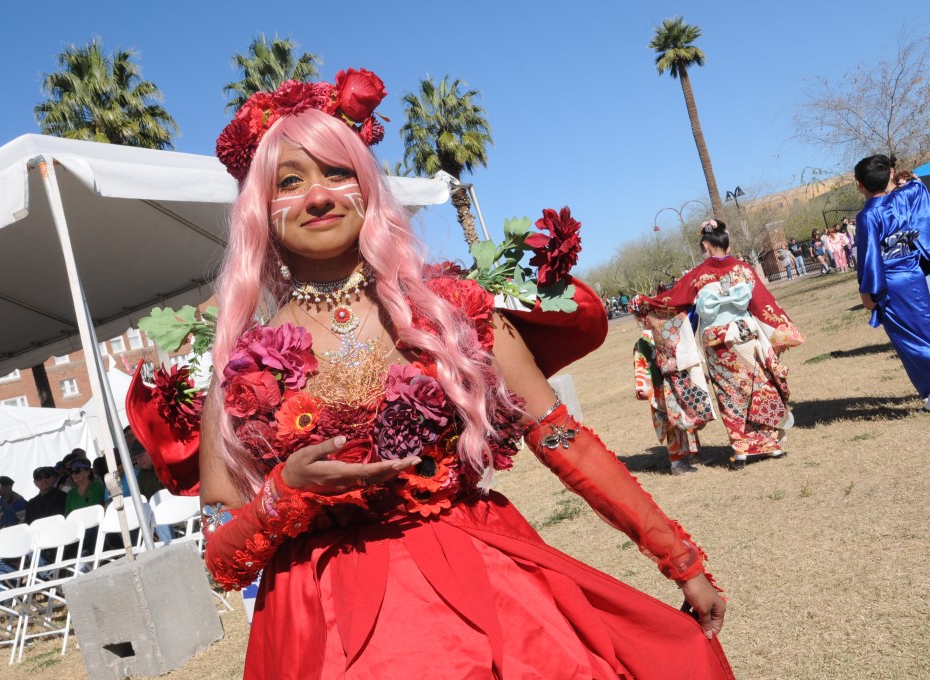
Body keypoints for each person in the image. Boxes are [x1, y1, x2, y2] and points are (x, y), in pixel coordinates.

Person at [192, 70, 733, 678]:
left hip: (490, 589)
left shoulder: (454, 313)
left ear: (366, 187)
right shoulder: (240, 365)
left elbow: (563, 440)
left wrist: (679, 558)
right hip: (329, 628)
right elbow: (220, 560)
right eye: (290, 181)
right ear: (260, 209)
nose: (318, 195)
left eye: (337, 172)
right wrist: (284, 493)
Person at [635, 220, 805, 469]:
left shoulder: (697, 275)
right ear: (727, 242)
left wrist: (645, 304)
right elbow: (763, 303)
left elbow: (670, 301)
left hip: (716, 342)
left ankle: (742, 449)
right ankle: (770, 445)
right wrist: (783, 332)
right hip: (745, 336)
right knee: (759, 386)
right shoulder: (743, 269)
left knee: (729, 394)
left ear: (705, 244)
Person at [853, 154, 930, 412]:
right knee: (925, 331)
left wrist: (867, 291)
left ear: (859, 185)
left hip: (891, 284)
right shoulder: (903, 198)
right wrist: (899, 179)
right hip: (914, 275)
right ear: (890, 175)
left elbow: (870, 257)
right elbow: (917, 186)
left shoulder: (867, 217)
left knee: (910, 341)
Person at [632, 326, 711, 475]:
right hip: (661, 387)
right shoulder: (643, 341)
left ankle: (694, 453)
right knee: (671, 423)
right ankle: (678, 462)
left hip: (679, 382)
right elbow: (641, 365)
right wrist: (642, 386)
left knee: (688, 416)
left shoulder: (670, 332)